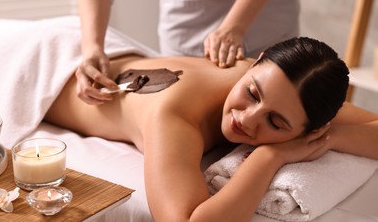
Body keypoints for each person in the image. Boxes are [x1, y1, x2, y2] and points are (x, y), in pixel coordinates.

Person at [44, 37, 378, 221]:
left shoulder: (291, 93)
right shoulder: (174, 115)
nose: (247, 119)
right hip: (45, 65)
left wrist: (325, 140)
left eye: (275, 123)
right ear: (255, 61)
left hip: (125, 53)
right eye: (251, 93)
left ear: (311, 128)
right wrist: (271, 156)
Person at [75, 0, 300, 104]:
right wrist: (92, 46)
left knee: (278, 101)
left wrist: (236, 26)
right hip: (188, 22)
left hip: (266, 12)